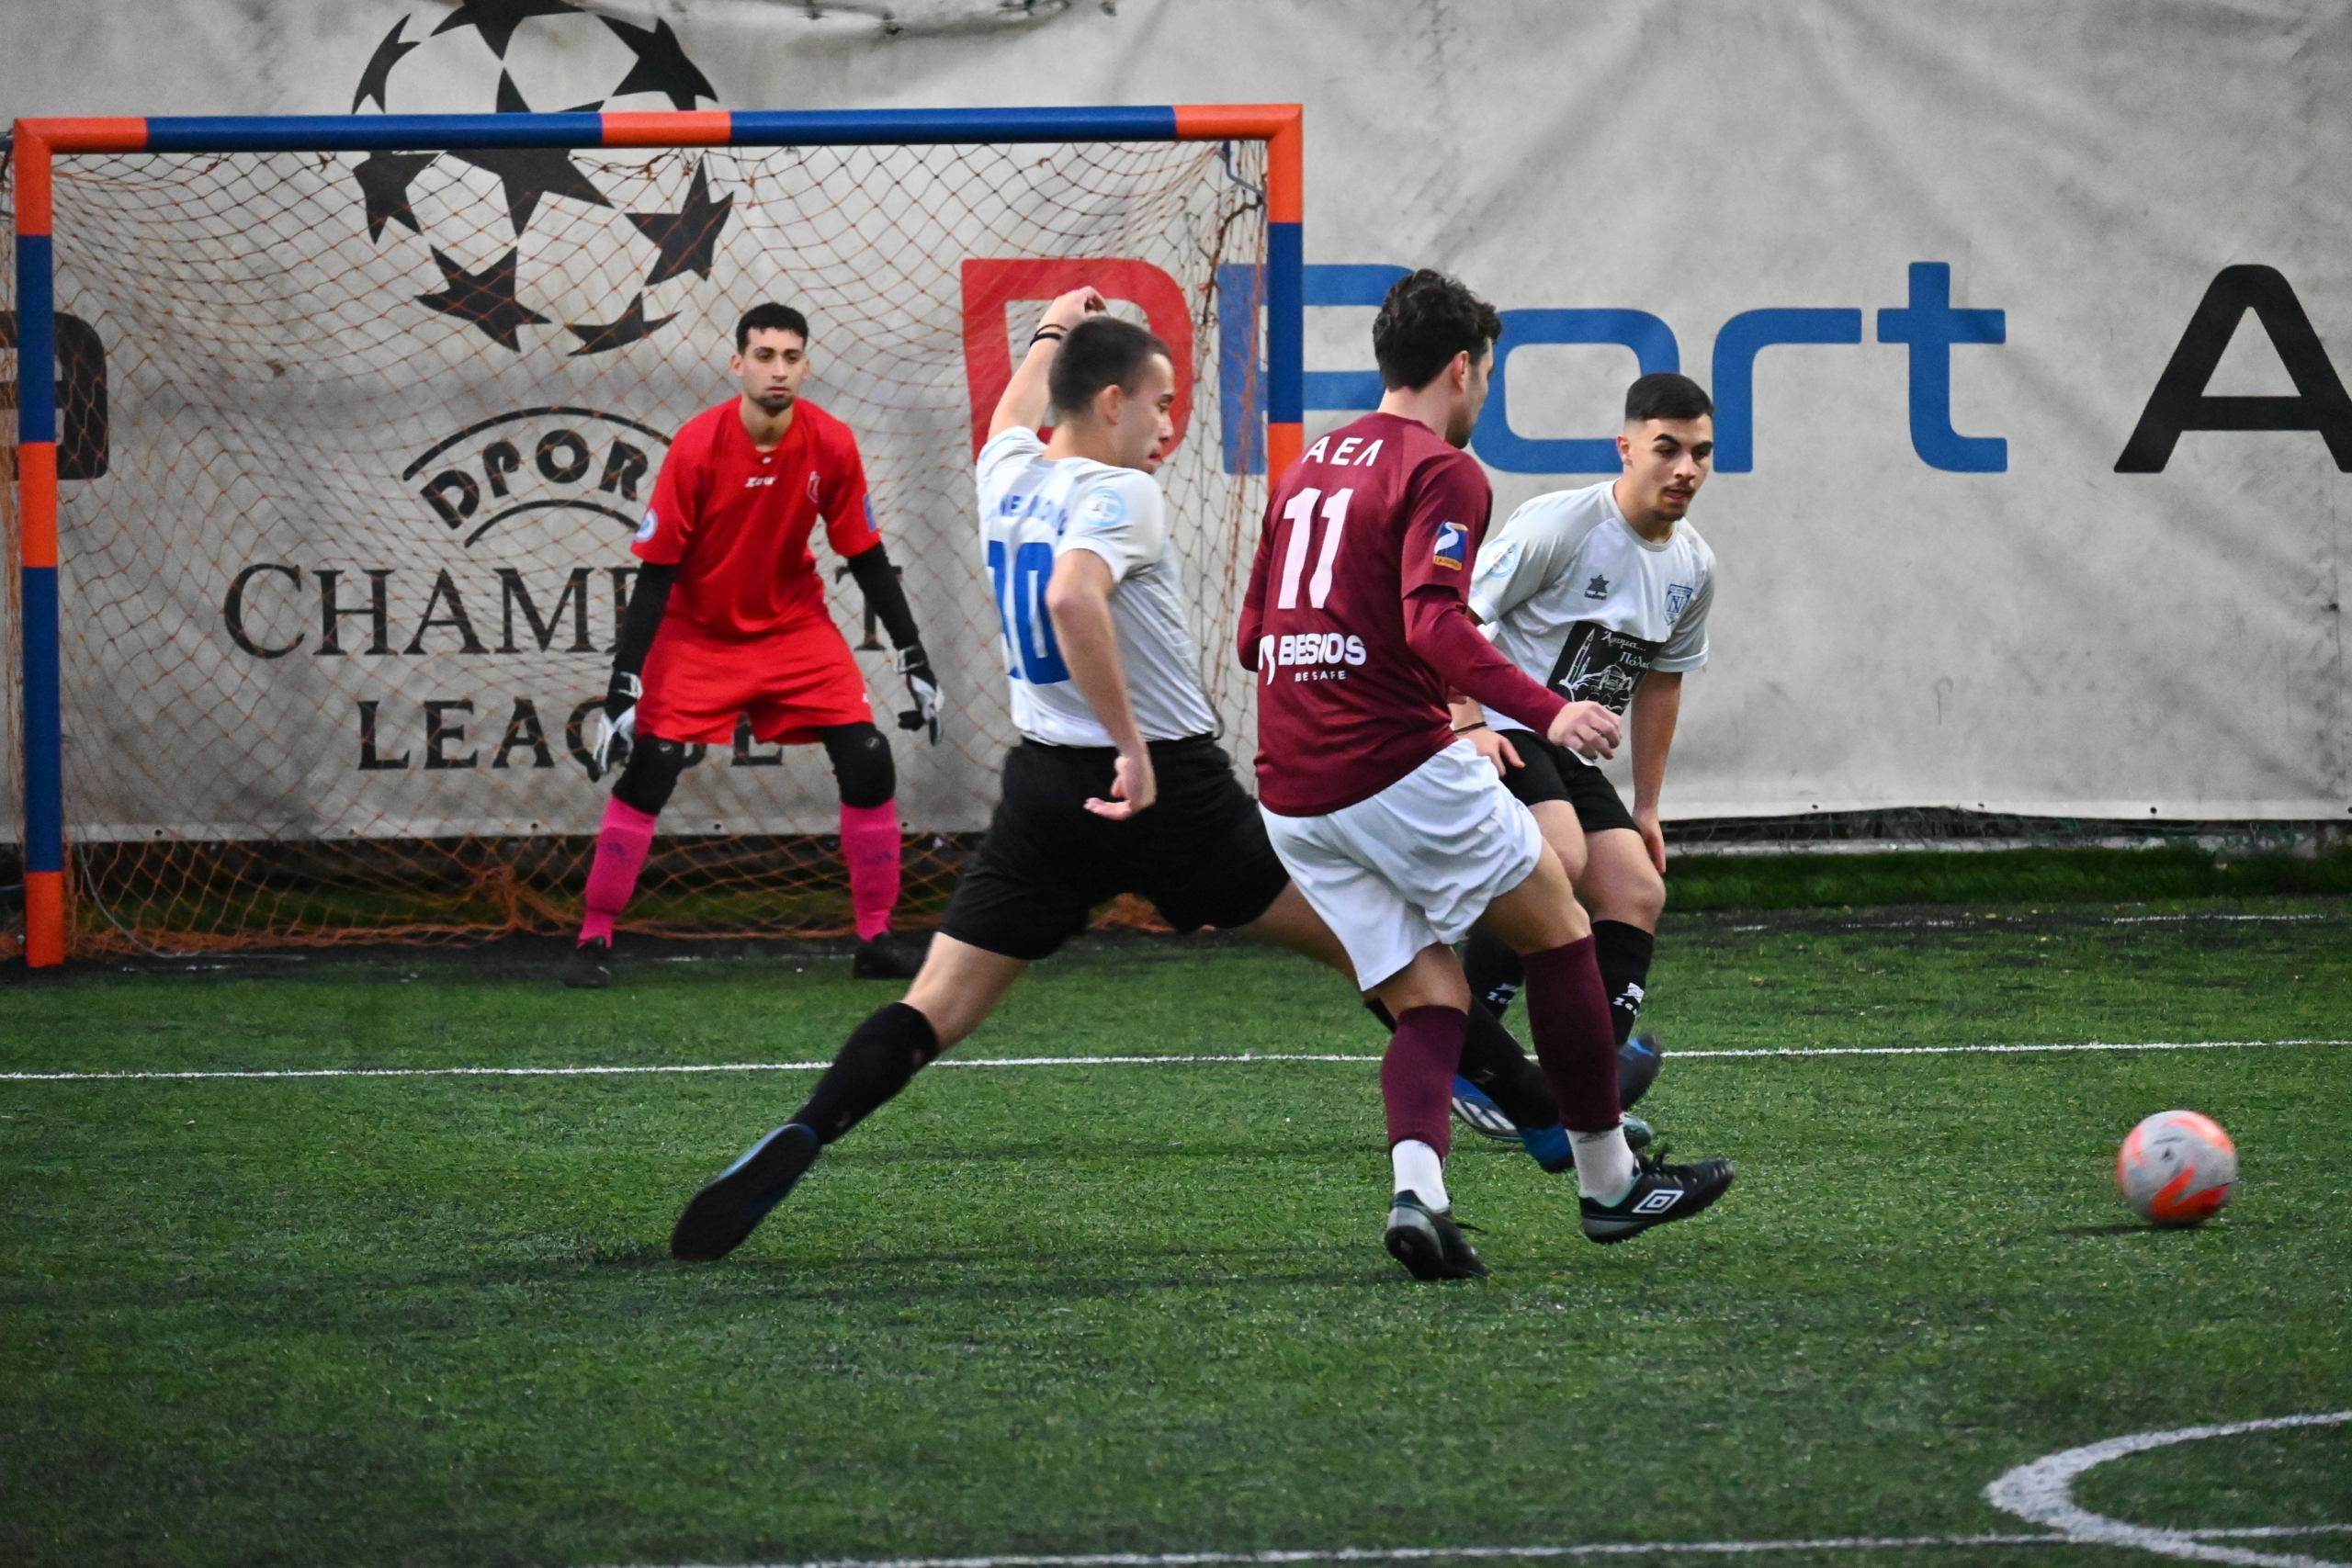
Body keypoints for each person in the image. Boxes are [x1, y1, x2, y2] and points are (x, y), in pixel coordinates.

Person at [665, 287, 1550, 1268]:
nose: (1170, 427)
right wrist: (1130, 745)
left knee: (933, 1008)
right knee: (1392, 956)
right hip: (1170, 793)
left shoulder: (1006, 471)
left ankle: (811, 1124)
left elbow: (1016, 411)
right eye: (1161, 404)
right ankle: (1542, 1109)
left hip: (1044, 792)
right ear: (1112, 401)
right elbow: (1072, 596)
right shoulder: (1121, 494)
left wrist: (1050, 328)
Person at [1239, 270, 1734, 1279]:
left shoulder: (1307, 469)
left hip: (1290, 792)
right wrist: (1544, 711)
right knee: (1561, 928)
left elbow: (1254, 637)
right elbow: (1435, 622)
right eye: (1490, 373)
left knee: (1432, 998)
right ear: (1461, 368)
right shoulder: (1444, 469)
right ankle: (1607, 1181)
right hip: (1389, 764)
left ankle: (1418, 1196)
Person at [565, 303, 942, 988]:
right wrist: (625, 681)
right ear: (737, 364)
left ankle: (876, 937)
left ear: (806, 365)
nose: (778, 370)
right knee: (654, 761)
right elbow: (656, 573)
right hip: (697, 631)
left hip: (793, 627)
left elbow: (864, 553)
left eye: (791, 357)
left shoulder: (831, 442)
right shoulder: (697, 445)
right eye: (764, 356)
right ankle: (594, 935)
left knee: (868, 753)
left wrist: (911, 649)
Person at [1446, 372, 1716, 1137]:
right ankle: (1472, 1065)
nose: (1685, 469)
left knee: (1636, 890)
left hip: (1563, 750)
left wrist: (1648, 806)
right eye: (1666, 448)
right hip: (1503, 723)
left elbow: (1662, 681)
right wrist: (1467, 722)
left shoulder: (1694, 566)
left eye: (1700, 453)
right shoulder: (1561, 524)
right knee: (1556, 859)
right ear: (1625, 448)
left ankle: (1587, 1089)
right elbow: (1454, 615)